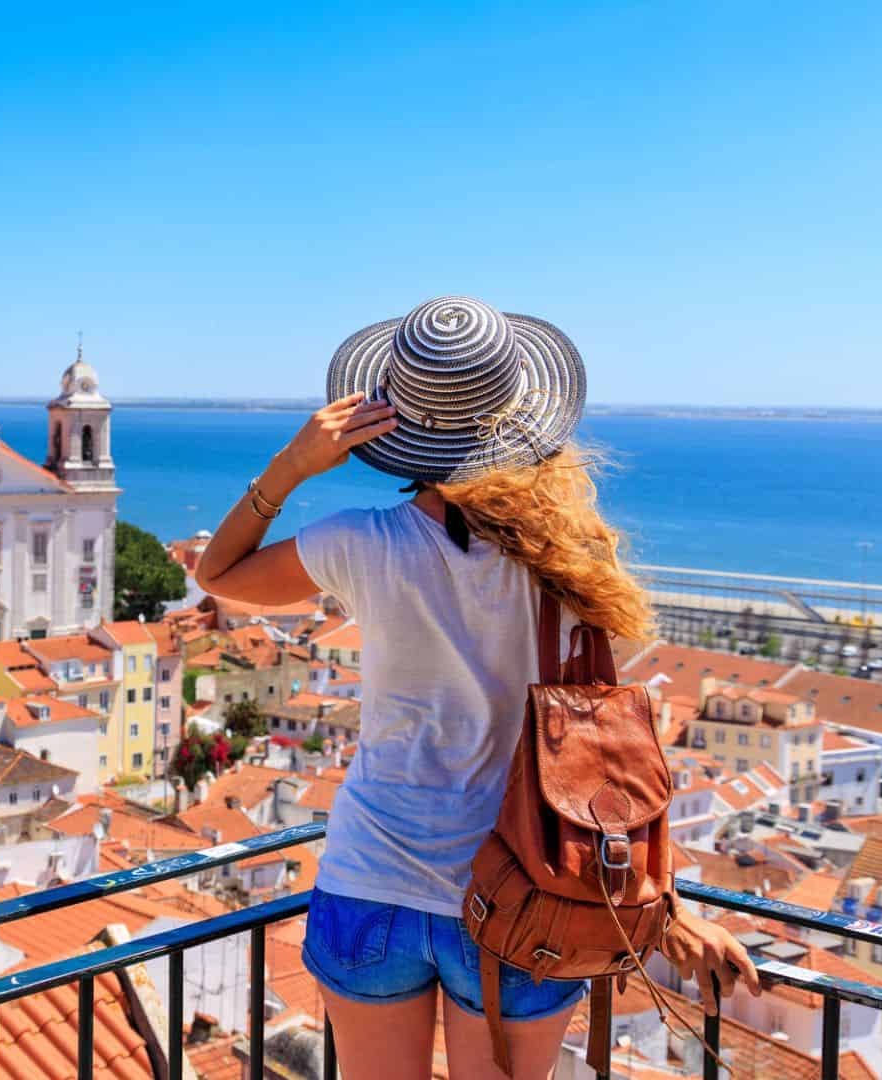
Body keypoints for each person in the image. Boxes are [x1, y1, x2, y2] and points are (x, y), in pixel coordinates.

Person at [193, 297, 759, 1078]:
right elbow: (613, 762)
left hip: (372, 883)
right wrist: (671, 906)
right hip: (526, 894)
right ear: (526, 420)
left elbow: (215, 574)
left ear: (399, 426)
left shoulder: (363, 542)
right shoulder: (576, 572)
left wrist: (292, 465)